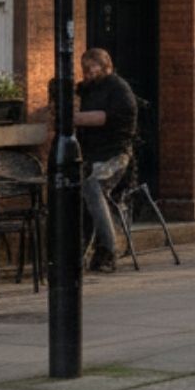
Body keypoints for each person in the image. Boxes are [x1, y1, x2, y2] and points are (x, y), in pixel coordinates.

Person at [76, 47, 138, 273]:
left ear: (105, 67)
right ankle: (83, 251)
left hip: (116, 157)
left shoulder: (118, 89)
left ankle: (109, 251)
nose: (85, 73)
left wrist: (72, 118)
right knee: (79, 192)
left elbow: (108, 117)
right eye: (83, 68)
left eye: (90, 68)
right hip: (91, 156)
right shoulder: (87, 90)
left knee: (93, 186)